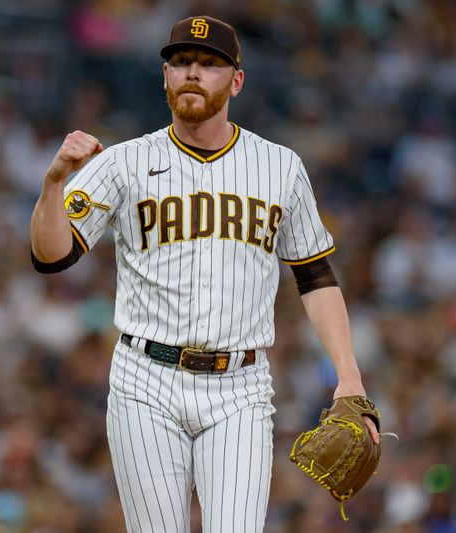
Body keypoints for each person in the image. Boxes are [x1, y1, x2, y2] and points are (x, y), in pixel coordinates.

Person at [29, 15, 380, 533]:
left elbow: (315, 276)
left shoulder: (279, 166)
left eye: (210, 64)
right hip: (145, 379)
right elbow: (51, 256)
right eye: (181, 62)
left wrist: (349, 377)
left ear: (236, 80)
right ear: (165, 76)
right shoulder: (126, 161)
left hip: (240, 386)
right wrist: (54, 183)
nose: (193, 72)